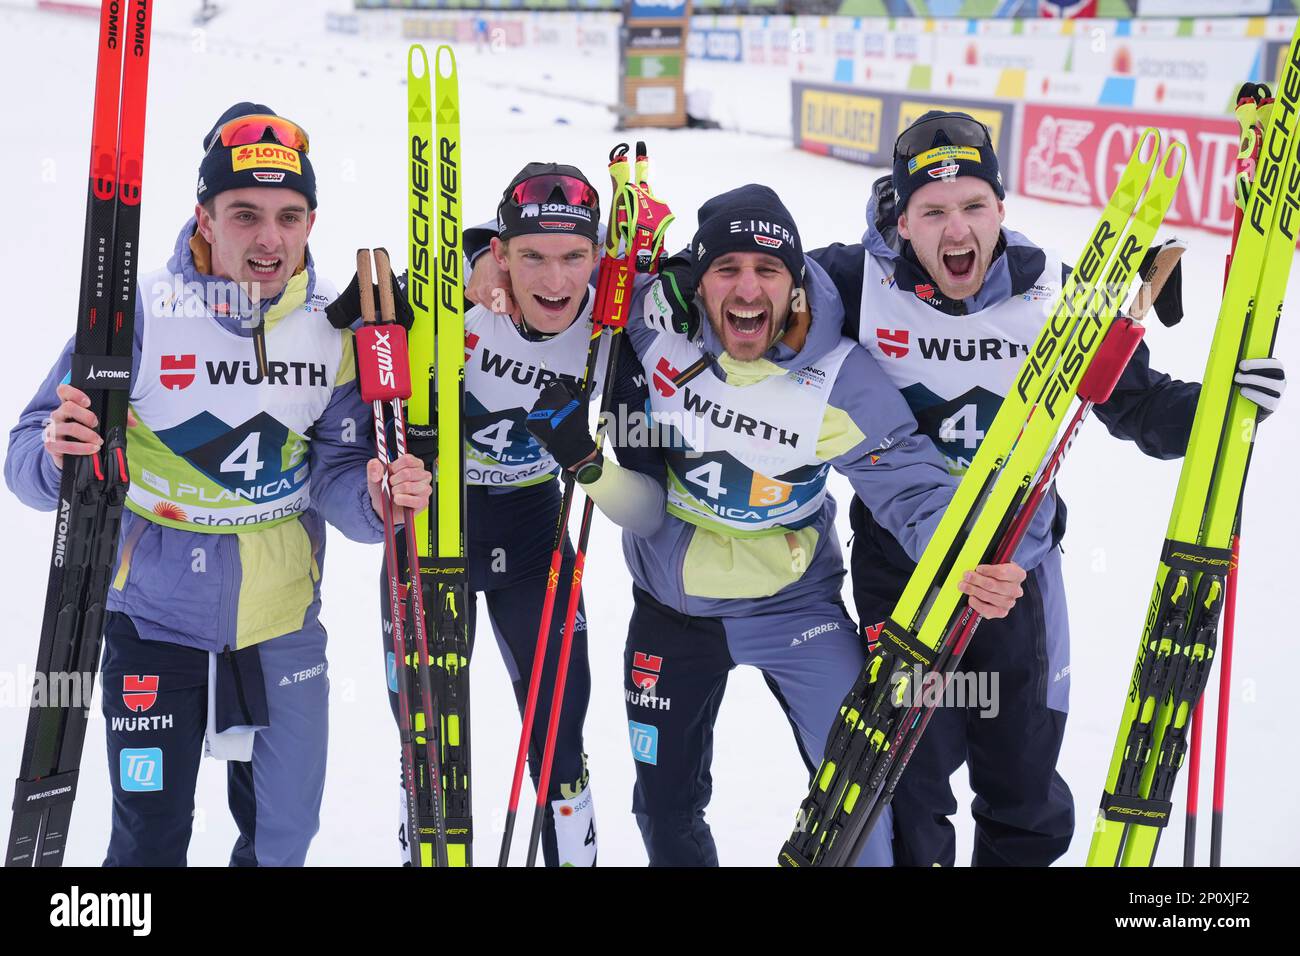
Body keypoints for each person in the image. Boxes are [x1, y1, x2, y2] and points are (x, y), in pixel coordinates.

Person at [805, 110, 1288, 866]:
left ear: (1002, 208)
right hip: (903, 567)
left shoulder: (1056, 295)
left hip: (1018, 574)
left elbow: (1140, 408)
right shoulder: (848, 281)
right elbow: (754, 295)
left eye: (974, 206)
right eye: (931, 211)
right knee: (907, 785)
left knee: (1023, 786)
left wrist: (1221, 407)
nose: (955, 231)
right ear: (901, 221)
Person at [506, 184, 1039, 866]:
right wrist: (483, 265)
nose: (747, 289)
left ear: (795, 285)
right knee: (665, 811)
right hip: (673, 613)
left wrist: (967, 559)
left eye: (767, 271)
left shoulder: (844, 378)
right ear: (699, 285)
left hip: (796, 610)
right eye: (726, 270)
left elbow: (910, 490)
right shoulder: (652, 324)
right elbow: (563, 271)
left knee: (859, 794)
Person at [5, 103, 431, 867]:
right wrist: (58, 453)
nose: (269, 239)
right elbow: (26, 462)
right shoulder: (138, 312)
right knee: (148, 843)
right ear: (204, 217)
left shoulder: (334, 328)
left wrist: (375, 500)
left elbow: (336, 473)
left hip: (281, 619)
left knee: (282, 839)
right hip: (153, 619)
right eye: (245, 214)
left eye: (289, 215)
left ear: (310, 221)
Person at [366, 162, 653, 866]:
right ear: (500, 252)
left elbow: (644, 512)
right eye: (531, 257)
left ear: (597, 257)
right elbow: (352, 310)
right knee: (427, 737)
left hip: (533, 533)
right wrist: (452, 276)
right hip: (436, 530)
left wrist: (583, 459)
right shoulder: (449, 298)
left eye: (574, 258)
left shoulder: (613, 325)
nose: (555, 282)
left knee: (560, 738)